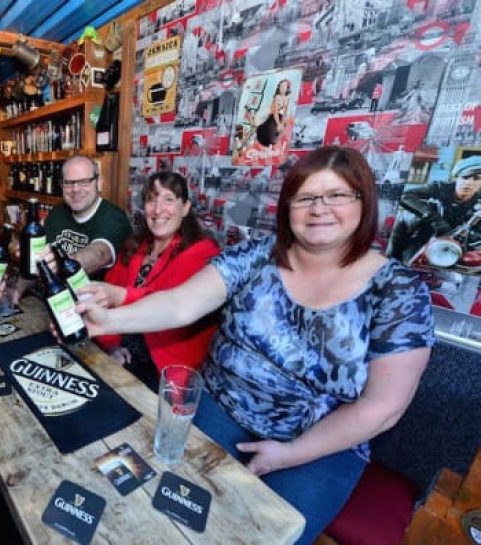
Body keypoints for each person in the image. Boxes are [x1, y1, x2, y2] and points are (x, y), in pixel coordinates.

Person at [77, 146, 434, 544]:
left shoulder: (399, 290)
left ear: (363, 203)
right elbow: (180, 304)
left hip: (321, 443)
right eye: (305, 197)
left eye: (336, 195)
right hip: (218, 406)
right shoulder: (256, 255)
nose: (319, 208)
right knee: (154, 509)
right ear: (287, 207)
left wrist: (290, 454)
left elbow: (383, 407)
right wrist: (108, 320)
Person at [89, 172, 220, 391]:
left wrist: (121, 296)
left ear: (185, 207)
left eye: (169, 199)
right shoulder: (136, 245)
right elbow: (107, 296)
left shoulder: (202, 251)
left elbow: (168, 302)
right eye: (151, 199)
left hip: (164, 364)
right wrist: (110, 346)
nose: (158, 210)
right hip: (124, 347)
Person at [13, 154, 132, 301]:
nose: (75, 189)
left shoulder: (114, 217)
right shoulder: (57, 212)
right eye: (69, 183)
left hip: (93, 310)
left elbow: (101, 253)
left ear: (99, 183)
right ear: (62, 186)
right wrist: (17, 290)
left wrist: (59, 263)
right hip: (54, 300)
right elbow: (34, 258)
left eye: (84, 182)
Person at [388, 154, 481, 267]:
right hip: (427, 233)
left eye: (477, 178)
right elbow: (405, 196)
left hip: (460, 242)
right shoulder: (440, 187)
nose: (468, 183)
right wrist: (435, 220)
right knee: (409, 259)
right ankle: (391, 259)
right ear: (457, 177)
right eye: (465, 177)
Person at [256, 79, 291, 147]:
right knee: (258, 124)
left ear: (287, 88)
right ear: (279, 88)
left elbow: (285, 111)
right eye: (281, 86)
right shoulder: (277, 97)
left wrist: (282, 123)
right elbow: (275, 112)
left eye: (285, 86)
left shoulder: (286, 98)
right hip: (269, 113)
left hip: (276, 116)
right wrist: (278, 124)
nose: (283, 88)